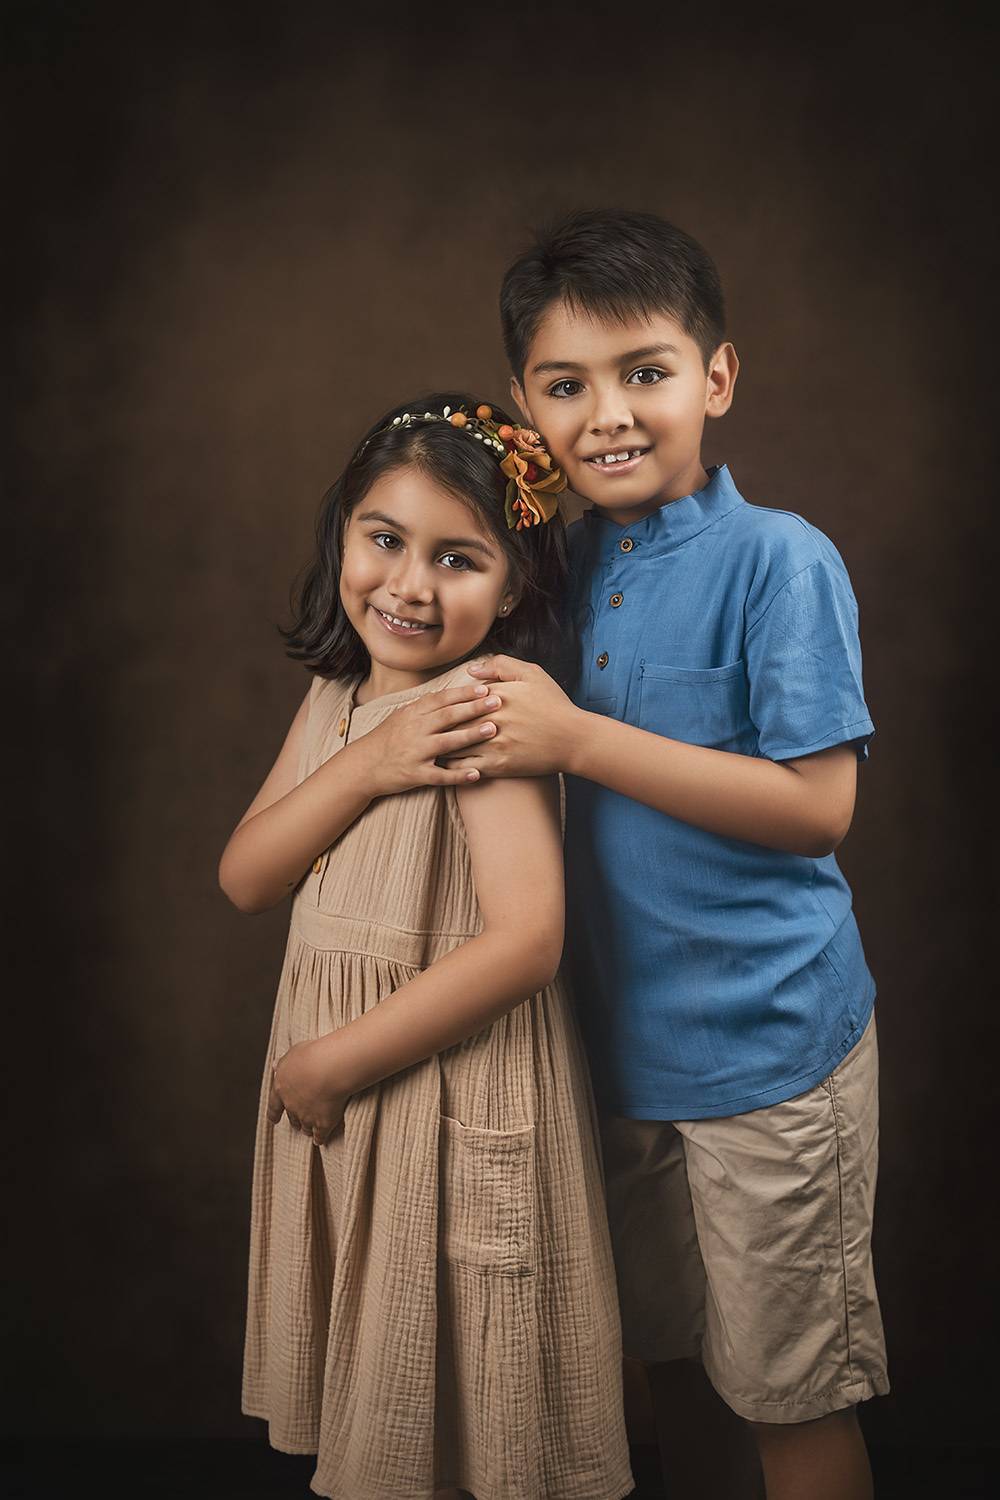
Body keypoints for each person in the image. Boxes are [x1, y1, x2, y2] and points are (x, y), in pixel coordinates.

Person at [349, 214, 891, 1500]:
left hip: (768, 1051)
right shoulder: (546, 565)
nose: (608, 415)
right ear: (526, 406)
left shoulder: (779, 561)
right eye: (564, 384)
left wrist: (581, 739)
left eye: (645, 372)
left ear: (716, 377)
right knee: (661, 1367)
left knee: (788, 1392)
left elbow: (818, 809)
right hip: (604, 1053)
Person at [218, 392, 633, 1500]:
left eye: (457, 558)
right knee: (381, 1405)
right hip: (351, 1111)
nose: (408, 585)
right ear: (342, 535)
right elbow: (246, 876)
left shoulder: (486, 712)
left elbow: (529, 942)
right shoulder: (337, 699)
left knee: (466, 1413)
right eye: (385, 539)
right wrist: (368, 759)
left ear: (514, 585)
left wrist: (330, 1063)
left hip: (443, 1093)